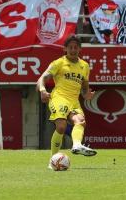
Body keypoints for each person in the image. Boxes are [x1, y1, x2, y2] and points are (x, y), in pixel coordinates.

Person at [37, 34, 97, 167]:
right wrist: (42, 90)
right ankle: (52, 160)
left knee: (80, 121)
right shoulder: (59, 63)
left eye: (76, 47)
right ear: (65, 49)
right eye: (70, 47)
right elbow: (42, 78)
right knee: (61, 126)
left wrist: (86, 94)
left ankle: (76, 145)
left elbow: (84, 85)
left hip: (74, 101)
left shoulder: (85, 66)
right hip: (59, 98)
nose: (73, 50)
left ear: (80, 49)